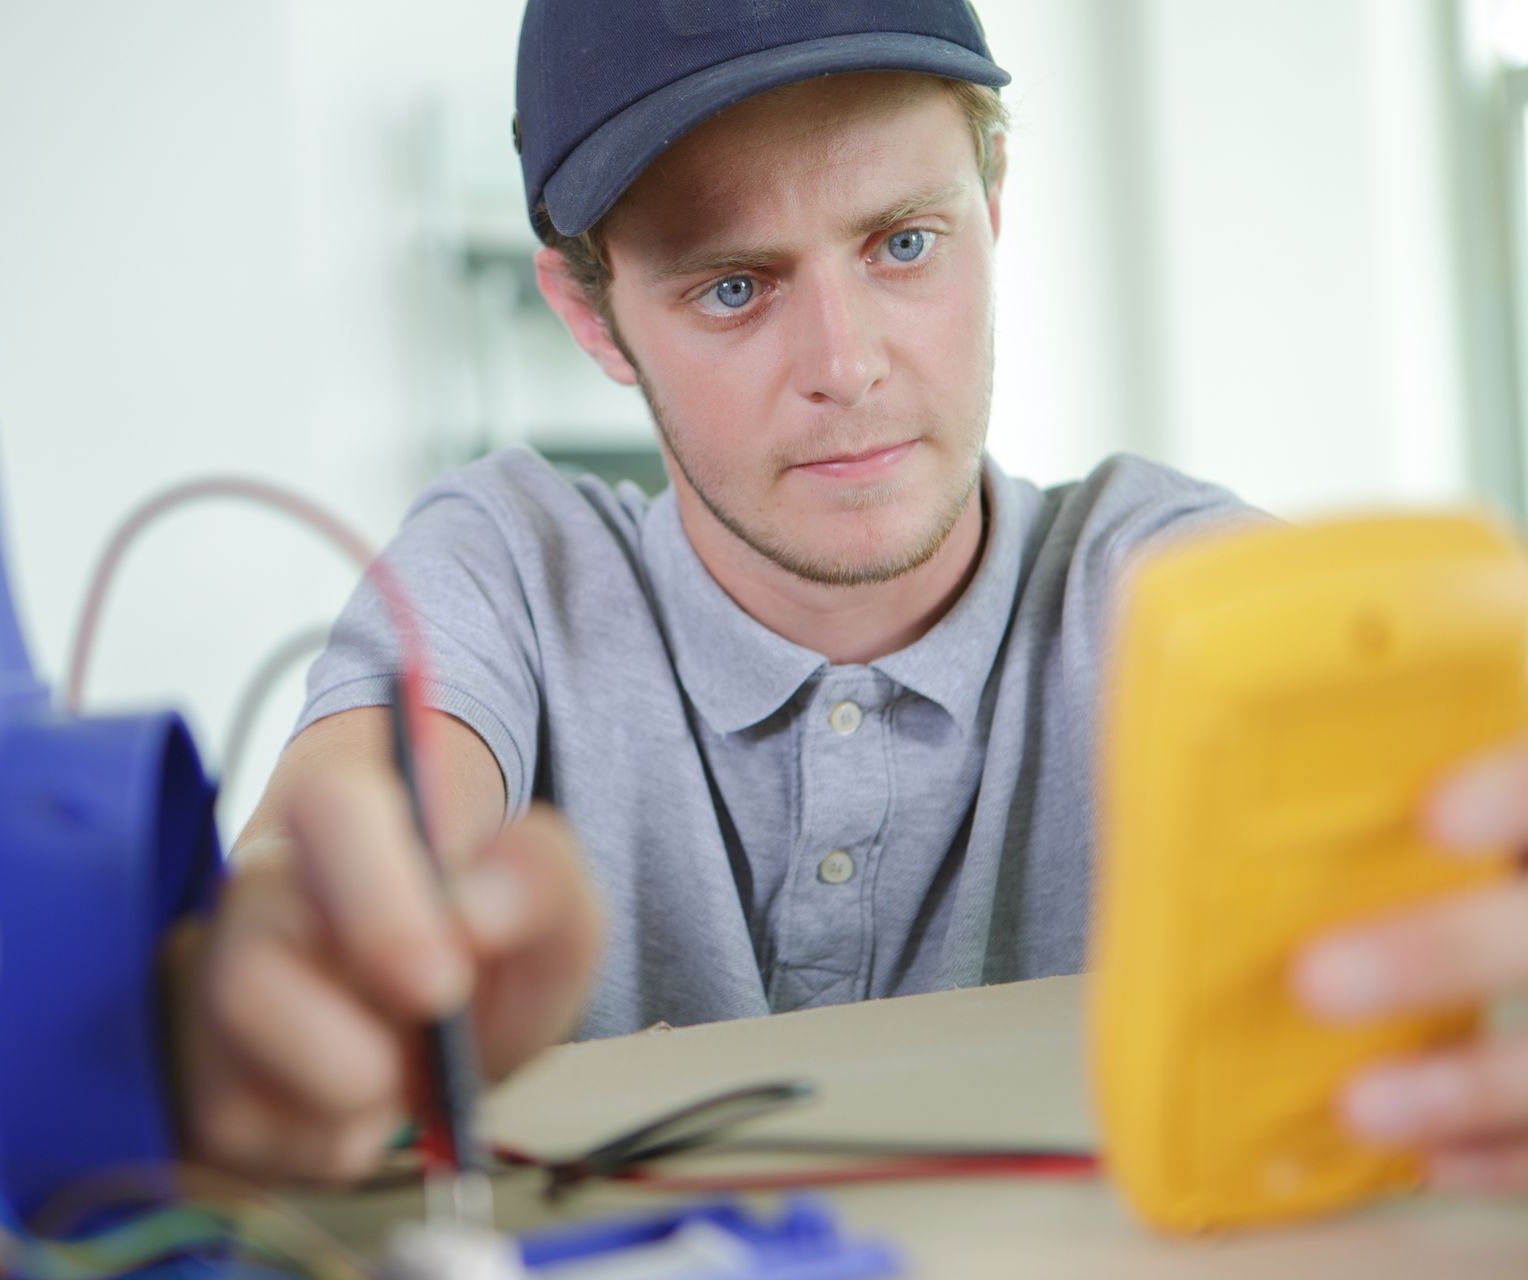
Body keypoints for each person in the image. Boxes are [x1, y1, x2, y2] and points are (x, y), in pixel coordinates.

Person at [162, 0, 1528, 1195]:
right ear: (592, 315)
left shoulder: (1168, 586)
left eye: (905, 243)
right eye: (734, 287)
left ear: (994, 202)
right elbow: (333, 855)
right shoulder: (509, 571)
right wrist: (286, 970)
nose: (848, 364)